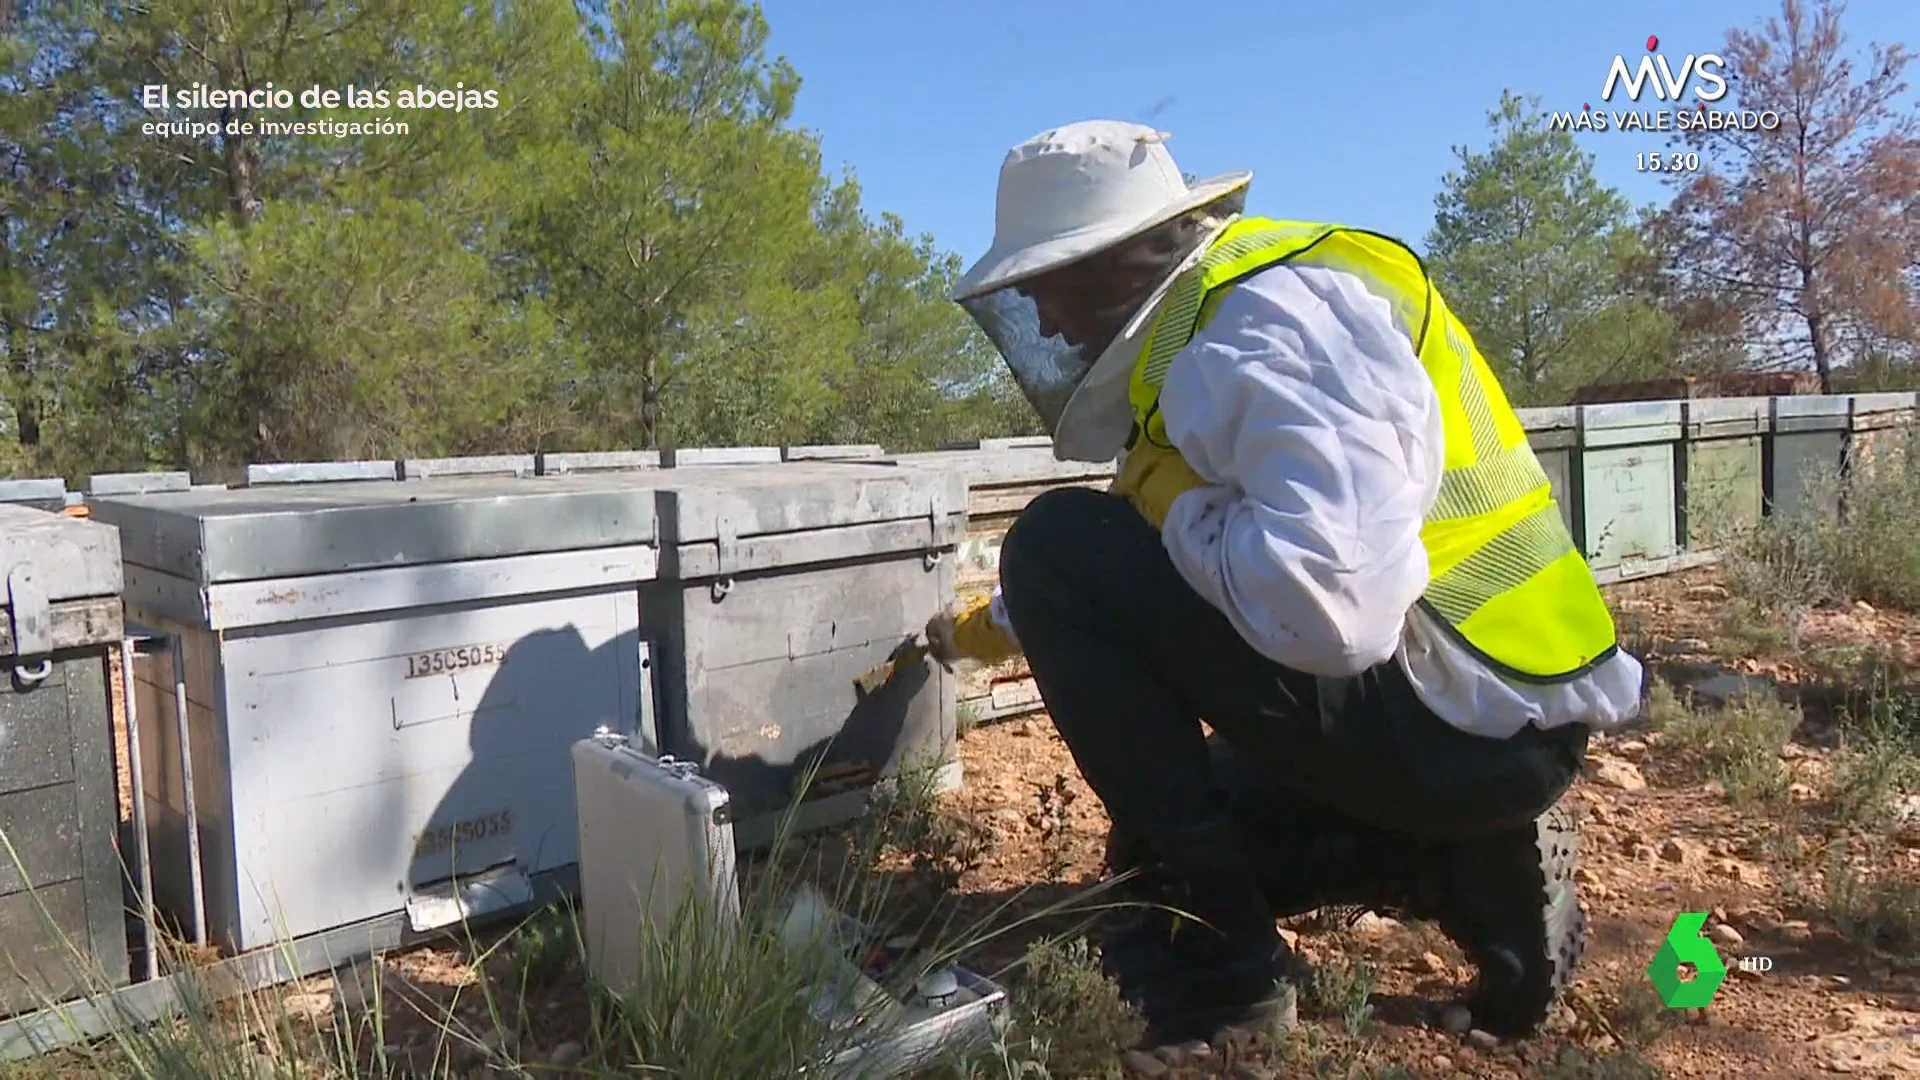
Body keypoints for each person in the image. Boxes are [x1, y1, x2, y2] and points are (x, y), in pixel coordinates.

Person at [927, 120, 1644, 1047]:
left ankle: (1227, 972)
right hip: (1486, 720)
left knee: (1055, 537)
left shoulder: (1262, 330)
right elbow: (1147, 568)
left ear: (1111, 261)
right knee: (1154, 855)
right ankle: (1472, 868)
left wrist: (1173, 506)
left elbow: (1330, 619)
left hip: (1460, 734)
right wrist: (973, 634)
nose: (1050, 326)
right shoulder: (1215, 321)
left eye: (1048, 292)